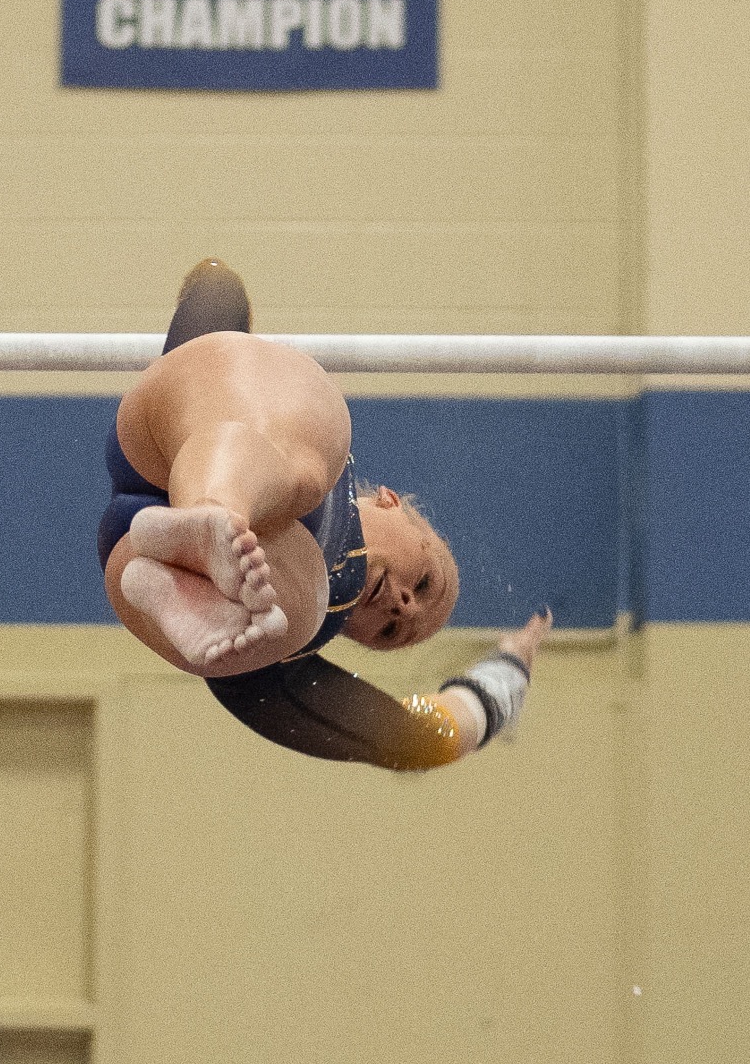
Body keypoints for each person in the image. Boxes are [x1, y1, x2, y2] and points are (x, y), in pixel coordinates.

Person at [99, 259, 552, 771]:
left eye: (390, 633)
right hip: (184, 445)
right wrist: (211, 283)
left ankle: (187, 582)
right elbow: (216, 304)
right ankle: (210, 519)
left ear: (358, 639)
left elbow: (428, 737)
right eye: (423, 581)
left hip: (137, 565)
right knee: (311, 456)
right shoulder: (311, 454)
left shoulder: (287, 657)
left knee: (290, 619)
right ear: (391, 501)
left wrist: (508, 670)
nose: (402, 607)